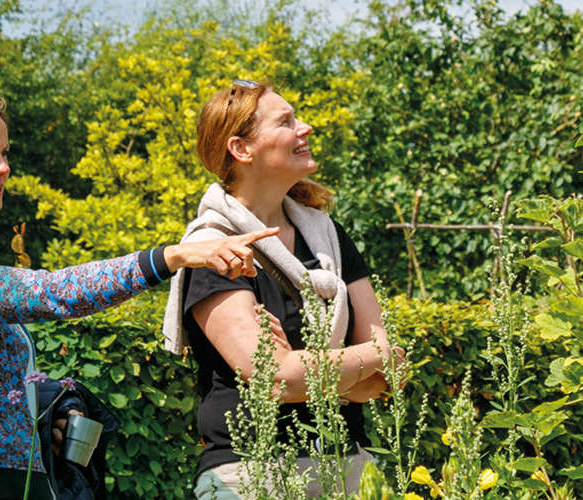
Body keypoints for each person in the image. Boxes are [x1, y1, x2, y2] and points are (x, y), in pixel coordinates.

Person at [0, 88, 278, 500]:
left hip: (2, 479)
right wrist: (171, 257)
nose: (2, 168)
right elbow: (51, 293)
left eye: (3, 152)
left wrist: (48, 408)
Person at [161, 80, 406, 499]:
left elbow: (392, 371)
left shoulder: (329, 237)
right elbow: (277, 380)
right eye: (286, 122)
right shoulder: (212, 248)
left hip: (349, 468)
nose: (305, 128)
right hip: (251, 476)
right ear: (241, 149)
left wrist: (305, 369)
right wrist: (363, 362)